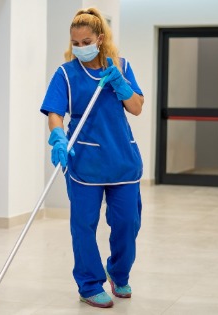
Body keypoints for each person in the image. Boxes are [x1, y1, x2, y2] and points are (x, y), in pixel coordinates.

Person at [40, 7, 144, 308]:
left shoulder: (121, 66)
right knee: (84, 225)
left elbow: (136, 107)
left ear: (100, 39)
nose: (80, 48)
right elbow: (55, 113)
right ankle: (88, 284)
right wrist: (58, 136)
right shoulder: (66, 73)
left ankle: (118, 271)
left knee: (127, 223)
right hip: (84, 160)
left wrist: (121, 86)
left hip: (123, 159)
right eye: (76, 42)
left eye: (86, 42)